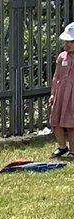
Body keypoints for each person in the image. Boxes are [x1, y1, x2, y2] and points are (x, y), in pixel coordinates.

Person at [48, 21, 74, 157]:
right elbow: (56, 76)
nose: (68, 44)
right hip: (61, 93)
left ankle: (73, 150)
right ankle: (62, 146)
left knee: (71, 123)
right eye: (66, 41)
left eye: (72, 41)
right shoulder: (61, 57)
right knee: (55, 120)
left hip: (72, 95)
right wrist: (53, 94)